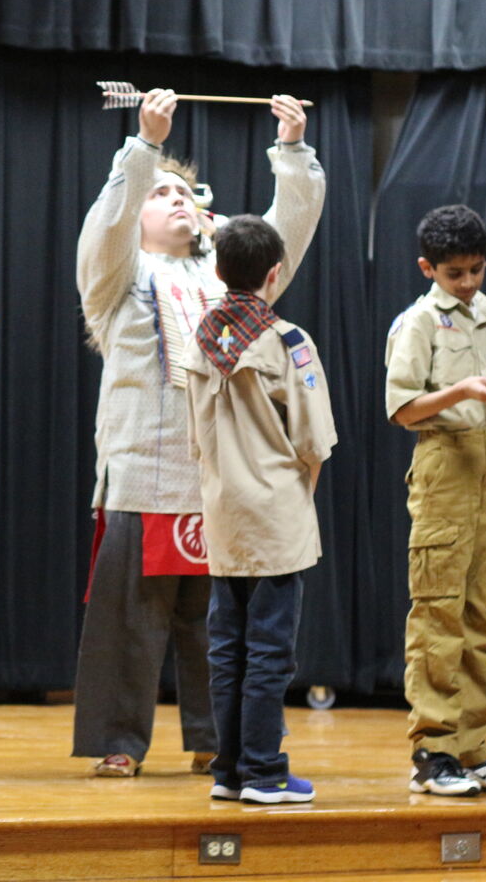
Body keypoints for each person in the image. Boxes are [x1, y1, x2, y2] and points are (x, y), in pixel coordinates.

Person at [73, 88, 326, 777]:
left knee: (214, 620)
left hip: (222, 476)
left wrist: (293, 153)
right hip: (142, 469)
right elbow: (106, 226)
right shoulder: (117, 278)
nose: (179, 200)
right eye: (163, 196)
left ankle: (218, 737)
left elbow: (283, 237)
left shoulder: (229, 287)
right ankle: (121, 742)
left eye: (186, 195)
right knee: (133, 615)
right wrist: (145, 148)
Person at [383, 204, 486, 796]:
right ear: (429, 268)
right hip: (445, 467)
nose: (469, 282)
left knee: (481, 617)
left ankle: (474, 747)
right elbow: (400, 408)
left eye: (476, 269)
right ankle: (433, 751)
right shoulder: (418, 323)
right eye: (455, 273)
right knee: (438, 614)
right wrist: (461, 389)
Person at [184, 215, 337, 804]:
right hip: (276, 514)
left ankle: (229, 771)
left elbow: (195, 437)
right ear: (275, 274)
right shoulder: (287, 341)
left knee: (226, 650)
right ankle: (265, 772)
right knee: (270, 650)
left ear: (218, 271)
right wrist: (298, 502)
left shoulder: (200, 338)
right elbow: (313, 442)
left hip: (221, 512)